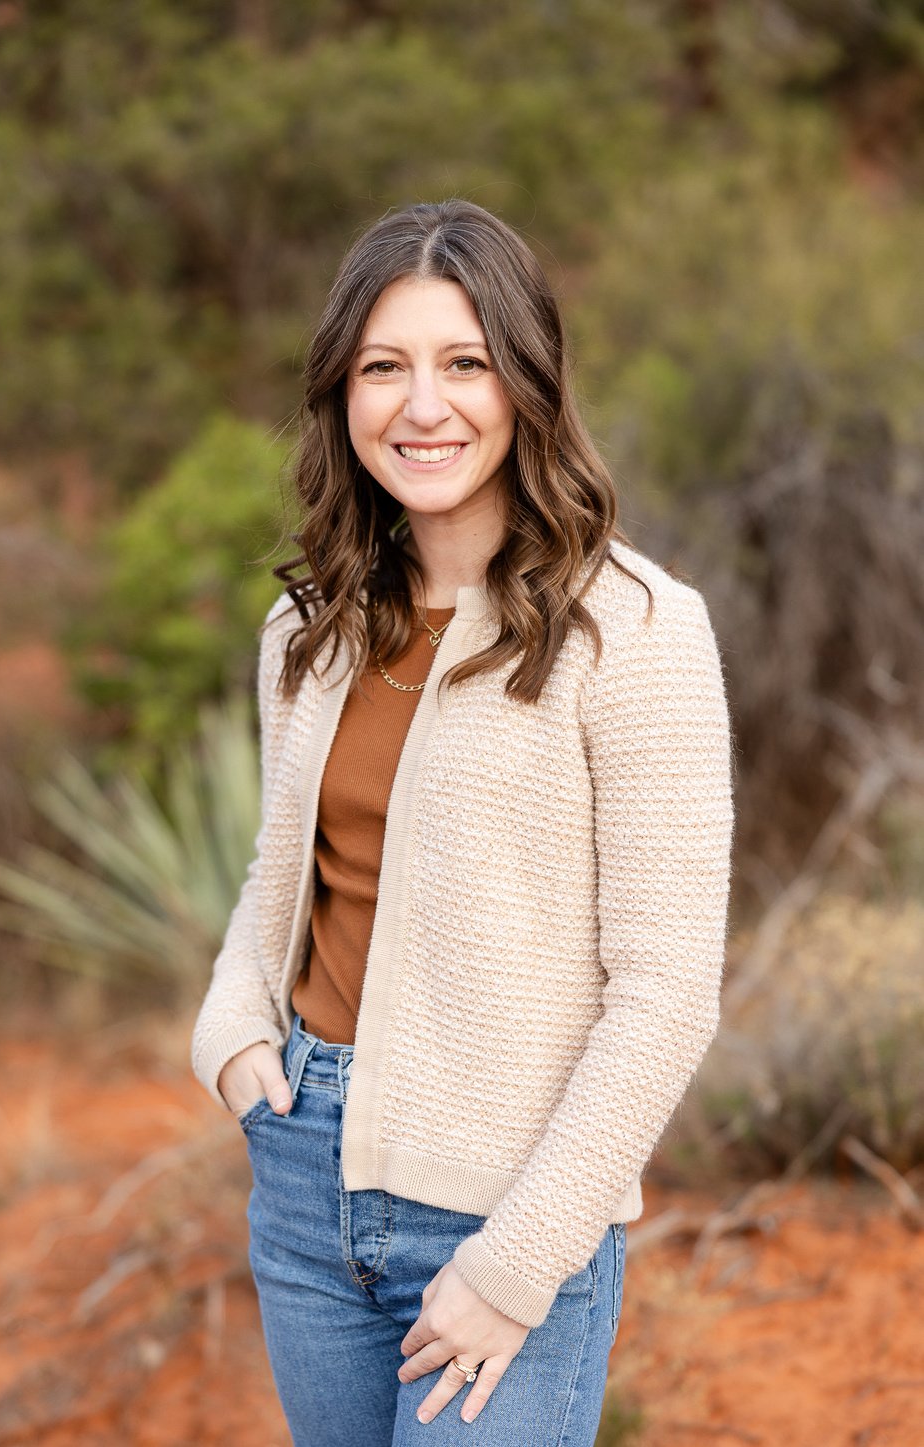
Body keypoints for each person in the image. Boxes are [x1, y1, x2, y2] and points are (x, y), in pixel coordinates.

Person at [191, 198, 734, 1444]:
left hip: (506, 1202)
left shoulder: (636, 631)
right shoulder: (309, 630)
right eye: (384, 367)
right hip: (300, 1181)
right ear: (341, 393)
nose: (420, 406)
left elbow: (663, 991)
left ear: (526, 382)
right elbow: (282, 882)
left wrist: (516, 1263)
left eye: (464, 362)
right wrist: (230, 1034)